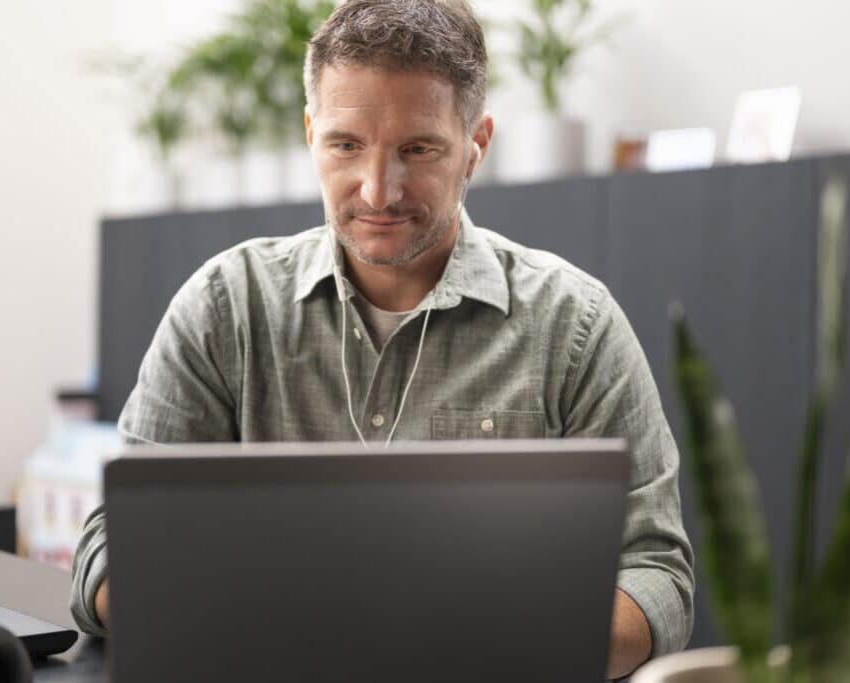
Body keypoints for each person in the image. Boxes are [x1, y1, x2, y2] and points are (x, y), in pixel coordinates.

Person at [70, 0, 694, 678]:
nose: (378, 189)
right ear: (311, 134)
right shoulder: (225, 306)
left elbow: (656, 574)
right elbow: (108, 557)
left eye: (418, 149)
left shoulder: (575, 324)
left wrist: (491, 649)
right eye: (346, 145)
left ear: (476, 144)